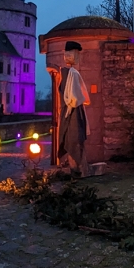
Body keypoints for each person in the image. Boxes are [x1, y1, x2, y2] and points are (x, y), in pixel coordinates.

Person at [57, 40, 91, 176]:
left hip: (71, 110)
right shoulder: (71, 73)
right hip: (73, 110)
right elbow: (75, 97)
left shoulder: (68, 72)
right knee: (74, 138)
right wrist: (79, 100)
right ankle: (76, 169)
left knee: (76, 138)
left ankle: (79, 168)